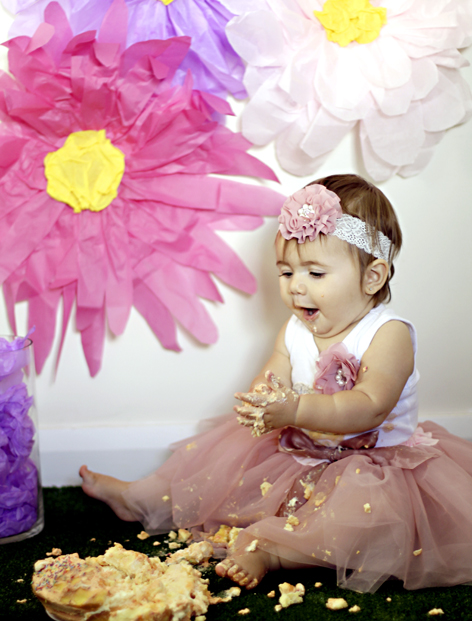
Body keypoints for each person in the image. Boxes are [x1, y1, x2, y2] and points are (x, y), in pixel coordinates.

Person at [80, 174, 472, 594]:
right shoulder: (296, 329)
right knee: (218, 471)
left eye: (315, 273)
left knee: (359, 523)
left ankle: (273, 551)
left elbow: (370, 405)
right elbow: (275, 373)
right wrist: (263, 399)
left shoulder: (388, 334)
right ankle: (144, 497)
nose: (296, 286)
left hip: (373, 467)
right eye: (286, 272)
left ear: (372, 277)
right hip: (298, 450)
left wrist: (296, 409)